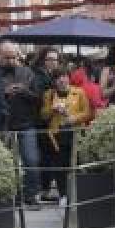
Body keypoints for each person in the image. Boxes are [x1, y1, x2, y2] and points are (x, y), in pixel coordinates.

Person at [0, 41, 43, 206]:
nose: (11, 61)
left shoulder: (27, 73)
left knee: (31, 159)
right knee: (4, 161)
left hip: (25, 123)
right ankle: (8, 195)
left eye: (14, 57)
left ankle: (32, 195)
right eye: (7, 57)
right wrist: (4, 93)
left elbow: (39, 98)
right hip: (1, 124)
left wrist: (24, 91)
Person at [40, 67, 91, 203]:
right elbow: (43, 115)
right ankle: (63, 194)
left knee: (77, 163)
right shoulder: (49, 94)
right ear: (54, 80)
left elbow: (87, 113)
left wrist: (72, 118)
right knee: (60, 165)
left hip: (75, 133)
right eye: (58, 77)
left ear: (68, 78)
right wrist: (52, 108)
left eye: (64, 76)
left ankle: (79, 194)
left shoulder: (79, 92)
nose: (61, 80)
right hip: (56, 134)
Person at [29, 48, 62, 202]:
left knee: (50, 155)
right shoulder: (37, 76)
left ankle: (47, 188)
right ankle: (44, 189)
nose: (53, 62)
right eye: (49, 59)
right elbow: (38, 99)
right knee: (46, 156)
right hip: (41, 121)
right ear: (42, 59)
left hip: (51, 121)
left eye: (55, 59)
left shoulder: (51, 75)